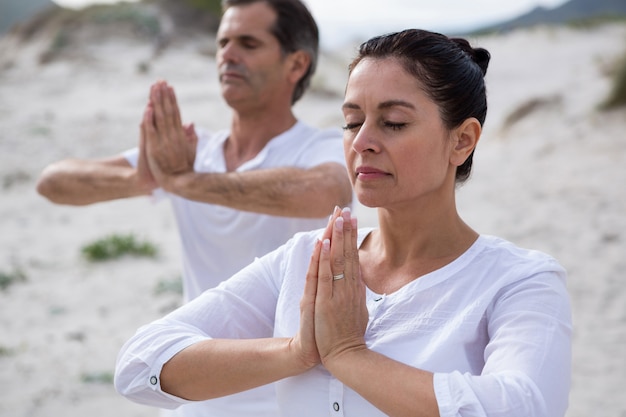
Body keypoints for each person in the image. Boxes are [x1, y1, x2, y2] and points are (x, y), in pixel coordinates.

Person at [114, 29, 572, 417]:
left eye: (393, 123)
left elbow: (522, 405)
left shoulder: (519, 281)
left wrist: (349, 356)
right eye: (353, 122)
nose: (363, 143)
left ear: (462, 141)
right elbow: (139, 364)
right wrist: (295, 352)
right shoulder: (306, 259)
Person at [37, 0, 351, 416]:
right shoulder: (189, 153)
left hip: (289, 389)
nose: (227, 54)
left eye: (248, 43)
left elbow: (324, 190)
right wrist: (142, 180)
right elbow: (52, 182)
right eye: (223, 42)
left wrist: (187, 183)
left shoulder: (321, 146)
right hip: (199, 385)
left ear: (296, 64)